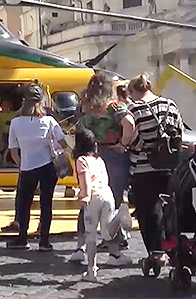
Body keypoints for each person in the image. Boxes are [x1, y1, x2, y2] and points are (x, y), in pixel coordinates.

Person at [127, 73, 184, 266]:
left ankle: (156, 252)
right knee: (172, 208)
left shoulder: (134, 108)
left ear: (134, 91)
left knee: (148, 210)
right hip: (171, 166)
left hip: (145, 167)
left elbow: (134, 141)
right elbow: (180, 132)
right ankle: (175, 246)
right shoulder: (170, 104)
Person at [6, 83, 69, 251]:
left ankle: (22, 238)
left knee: (24, 203)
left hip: (27, 167)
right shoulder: (49, 121)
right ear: (41, 102)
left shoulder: (16, 122)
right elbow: (63, 143)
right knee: (46, 203)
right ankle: (44, 241)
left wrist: (22, 163)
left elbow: (13, 150)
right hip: (48, 166)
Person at [80, 73, 135, 249]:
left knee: (92, 195)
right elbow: (129, 122)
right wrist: (123, 143)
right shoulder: (113, 107)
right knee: (114, 197)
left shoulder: (87, 107)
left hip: (94, 153)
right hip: (114, 152)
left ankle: (88, 241)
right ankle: (115, 238)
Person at [72, 127, 133, 282]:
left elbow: (85, 178)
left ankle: (92, 270)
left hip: (93, 197)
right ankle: (118, 217)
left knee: (91, 234)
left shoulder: (81, 160)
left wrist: (84, 196)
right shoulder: (99, 159)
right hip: (107, 194)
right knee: (106, 232)